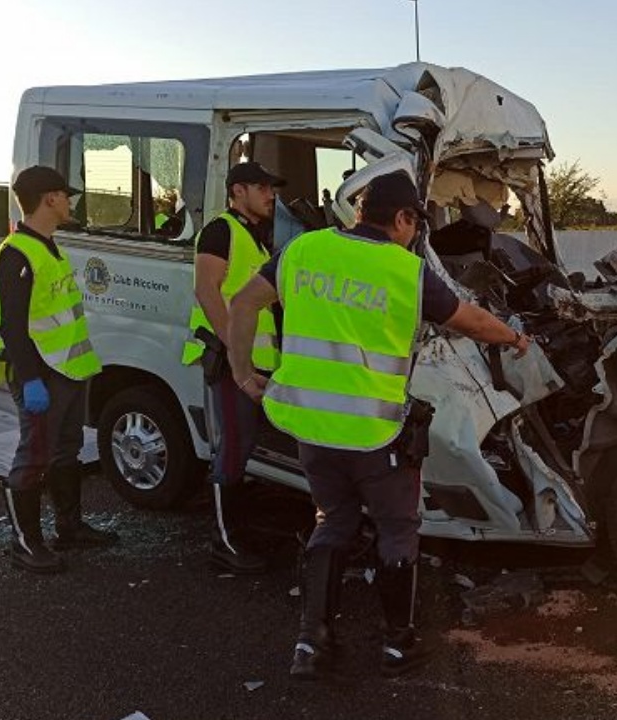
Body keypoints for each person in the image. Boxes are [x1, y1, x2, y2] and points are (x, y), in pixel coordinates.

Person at [226, 172, 531, 680]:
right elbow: (472, 321)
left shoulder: (303, 250)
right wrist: (516, 340)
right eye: (416, 224)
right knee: (396, 528)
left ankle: (312, 644)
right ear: (403, 219)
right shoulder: (404, 270)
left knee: (333, 520)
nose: (416, 235)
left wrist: (243, 375)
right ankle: (396, 645)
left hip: (311, 426)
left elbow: (241, 304)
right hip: (375, 433)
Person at [0, 166, 118, 574]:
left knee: (66, 449)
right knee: (34, 455)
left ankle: (69, 527)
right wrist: (29, 380)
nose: (70, 202)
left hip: (65, 369)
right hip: (40, 373)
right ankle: (25, 544)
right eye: (66, 195)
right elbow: (12, 325)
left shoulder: (45, 246)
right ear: (49, 199)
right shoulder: (17, 253)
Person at [180, 161, 285, 575]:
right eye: (262, 187)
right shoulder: (221, 230)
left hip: (252, 362)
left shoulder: (253, 236)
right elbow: (206, 290)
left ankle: (235, 530)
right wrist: (235, 353)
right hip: (230, 363)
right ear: (238, 191)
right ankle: (223, 542)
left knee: (243, 447)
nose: (270, 195)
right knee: (233, 447)